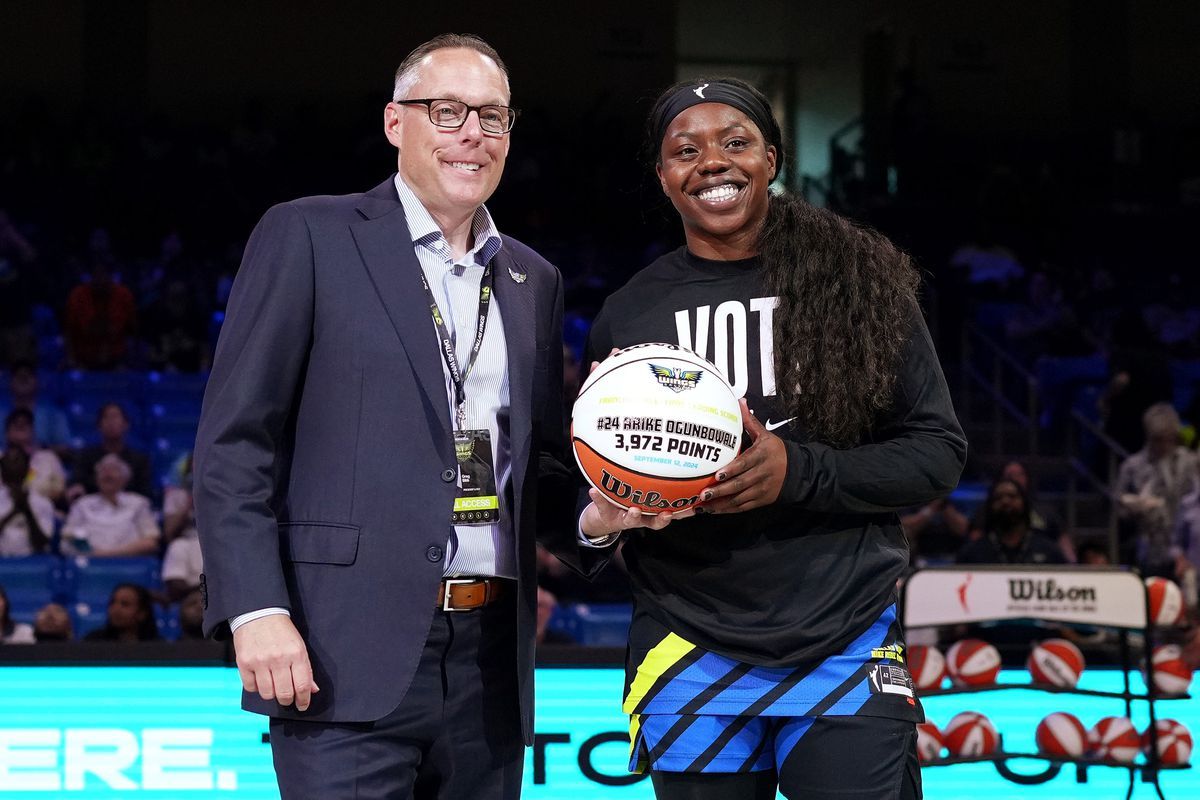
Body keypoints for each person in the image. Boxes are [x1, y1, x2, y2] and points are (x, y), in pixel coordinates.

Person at [194, 34, 623, 800]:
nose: (472, 134)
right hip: (339, 647)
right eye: (447, 110)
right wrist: (255, 607)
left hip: (490, 661)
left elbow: (543, 467)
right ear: (396, 122)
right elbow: (235, 443)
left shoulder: (533, 277)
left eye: (493, 117)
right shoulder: (311, 234)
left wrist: (602, 514)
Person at [578, 78, 966, 800]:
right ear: (663, 176)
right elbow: (587, 491)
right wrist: (613, 511)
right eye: (685, 150)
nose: (713, 162)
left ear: (771, 159)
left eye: (736, 142)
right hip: (686, 641)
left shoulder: (861, 287)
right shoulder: (629, 314)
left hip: (842, 635)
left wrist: (799, 471)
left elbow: (938, 452)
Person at [1114, 403, 1198, 576]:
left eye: (1169, 439)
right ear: (1148, 436)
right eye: (1158, 439)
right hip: (1148, 551)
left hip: (1187, 555)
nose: (1164, 445)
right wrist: (1134, 506)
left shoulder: (1191, 463)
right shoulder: (1132, 466)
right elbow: (1119, 507)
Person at [61, 454, 160, 557]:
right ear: (96, 478)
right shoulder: (82, 504)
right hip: (90, 562)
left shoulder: (139, 503)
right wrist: (95, 553)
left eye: (114, 470)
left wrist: (113, 554)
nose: (107, 474)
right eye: (103, 470)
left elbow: (151, 541)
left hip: (129, 563)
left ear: (125, 478)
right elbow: (69, 536)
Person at [956, 479, 1067, 565]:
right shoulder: (972, 552)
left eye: (1012, 496)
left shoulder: (1049, 550)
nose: (1005, 501)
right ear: (989, 506)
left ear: (1025, 503)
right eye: (998, 498)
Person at [70, 403, 154, 500]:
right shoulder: (85, 457)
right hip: (92, 509)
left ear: (126, 425)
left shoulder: (140, 460)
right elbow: (77, 485)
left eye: (115, 417)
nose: (111, 422)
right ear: (99, 425)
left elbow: (145, 492)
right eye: (106, 418)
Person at [0, 360, 71, 448]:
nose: (23, 379)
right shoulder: (1, 412)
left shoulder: (53, 414)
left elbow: (66, 448)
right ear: (10, 382)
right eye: (18, 376)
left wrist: (37, 451)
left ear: (37, 381)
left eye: (27, 376)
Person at [4, 408, 67, 504]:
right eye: (16, 425)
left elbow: (60, 490)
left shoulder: (48, 458)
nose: (21, 427)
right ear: (7, 432)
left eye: (25, 424)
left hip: (45, 510)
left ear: (33, 430)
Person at [0, 446, 54, 557]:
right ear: (3, 474)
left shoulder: (43, 503)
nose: (13, 468)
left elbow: (42, 544)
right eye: (9, 465)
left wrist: (27, 511)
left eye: (17, 464)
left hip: (33, 566)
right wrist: (13, 512)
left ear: (27, 471)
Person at [82, 583, 161, 642]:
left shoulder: (158, 647)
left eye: (125, 604)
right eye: (112, 603)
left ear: (142, 614)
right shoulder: (93, 641)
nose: (116, 609)